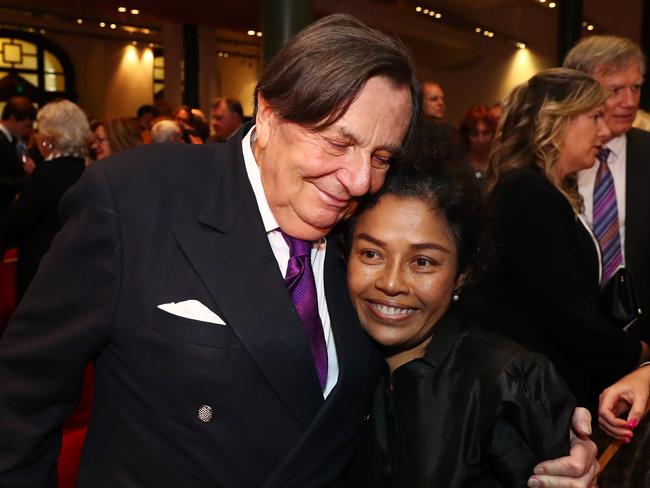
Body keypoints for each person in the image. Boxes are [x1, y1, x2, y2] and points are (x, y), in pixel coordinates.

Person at [0, 14, 597, 488]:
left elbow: (428, 346)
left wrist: (539, 434)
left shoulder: (364, 224)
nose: (361, 179)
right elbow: (20, 400)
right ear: (269, 109)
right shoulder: (134, 197)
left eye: (382, 156)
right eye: (339, 142)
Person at [342, 161, 578, 487]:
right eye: (371, 254)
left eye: (422, 262)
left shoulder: (507, 385)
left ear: (461, 274)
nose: (392, 283)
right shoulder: (332, 364)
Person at [482, 68, 649, 416]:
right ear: (556, 122)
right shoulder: (526, 193)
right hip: (529, 399)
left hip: (546, 387)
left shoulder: (550, 190)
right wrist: (637, 355)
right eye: (593, 117)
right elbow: (564, 314)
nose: (604, 132)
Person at [564, 35, 650, 350]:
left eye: (636, 87)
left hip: (641, 339)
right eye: (615, 90)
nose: (629, 101)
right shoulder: (552, 161)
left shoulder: (647, 151)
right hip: (566, 338)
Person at [0, 99, 90, 302]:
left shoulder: (47, 174)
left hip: (42, 268)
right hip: (76, 267)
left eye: (39, 130)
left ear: (49, 138)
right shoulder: (85, 169)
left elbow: (15, 224)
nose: (36, 135)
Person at [0, 96, 36, 222]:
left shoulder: (11, 140)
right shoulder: (1, 140)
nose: (28, 131)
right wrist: (27, 179)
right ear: (12, 119)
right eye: (26, 126)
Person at [418, 81, 461, 160]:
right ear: (420, 102)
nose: (441, 103)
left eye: (442, 99)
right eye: (434, 99)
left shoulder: (450, 131)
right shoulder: (412, 132)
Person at [459, 105, 497, 179]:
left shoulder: (500, 162)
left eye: (486, 133)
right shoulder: (458, 164)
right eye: (474, 134)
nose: (481, 139)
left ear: (493, 133)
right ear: (467, 135)